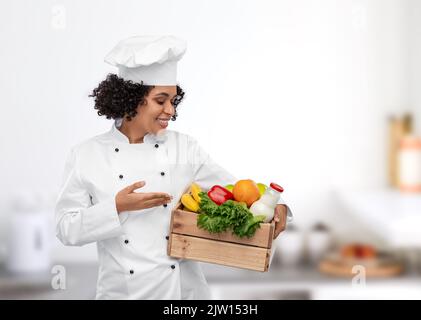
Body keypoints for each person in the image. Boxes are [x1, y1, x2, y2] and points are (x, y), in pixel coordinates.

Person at [55, 35, 292, 300]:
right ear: (132, 99)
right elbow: (66, 228)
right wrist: (117, 207)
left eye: (173, 101)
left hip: (182, 296)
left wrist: (279, 207)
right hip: (121, 294)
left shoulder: (184, 149)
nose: (171, 110)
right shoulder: (87, 155)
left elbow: (239, 193)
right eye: (161, 100)